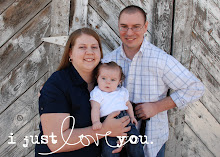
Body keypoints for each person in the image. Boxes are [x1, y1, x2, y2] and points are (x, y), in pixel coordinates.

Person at [102, 5, 205, 157]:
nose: (129, 33)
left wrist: (157, 106)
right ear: (118, 26)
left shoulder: (160, 59)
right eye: (124, 27)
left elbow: (195, 87)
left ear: (146, 27)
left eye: (136, 27)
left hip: (151, 140)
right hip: (117, 142)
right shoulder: (108, 61)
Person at [35, 28, 131, 157]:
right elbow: (56, 142)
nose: (89, 52)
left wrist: (120, 135)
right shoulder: (57, 84)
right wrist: (105, 130)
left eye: (94, 47)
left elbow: (117, 116)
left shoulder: (106, 82)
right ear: (70, 53)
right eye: (82, 47)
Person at [90, 61, 145, 157]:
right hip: (108, 122)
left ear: (119, 81)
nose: (108, 82)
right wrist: (96, 122)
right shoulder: (97, 92)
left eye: (113, 80)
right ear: (97, 78)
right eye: (103, 78)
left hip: (125, 119)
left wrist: (132, 117)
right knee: (110, 149)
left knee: (135, 144)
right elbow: (95, 108)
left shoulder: (122, 91)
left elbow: (128, 104)